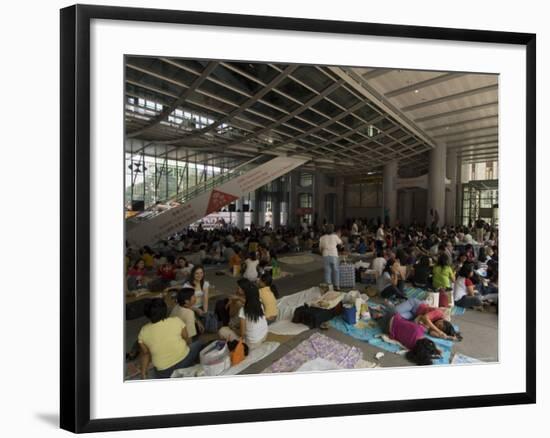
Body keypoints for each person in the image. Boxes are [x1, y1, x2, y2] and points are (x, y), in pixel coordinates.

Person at [138, 299, 203, 379]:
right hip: (184, 361)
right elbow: (187, 339)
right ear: (165, 310)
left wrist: (143, 373)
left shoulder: (143, 331)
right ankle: (193, 366)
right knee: (199, 343)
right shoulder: (176, 321)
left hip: (163, 372)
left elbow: (145, 354)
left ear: (147, 314)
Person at [369, 307, 442, 365]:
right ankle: (375, 313)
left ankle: (378, 310)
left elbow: (417, 320)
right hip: (387, 329)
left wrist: (436, 349)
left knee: (389, 308)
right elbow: (424, 354)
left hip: (393, 317)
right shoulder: (411, 347)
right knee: (377, 315)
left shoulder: (419, 329)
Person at [218, 279, 268, 349]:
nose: (237, 289)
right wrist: (233, 302)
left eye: (239, 288)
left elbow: (242, 334)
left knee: (222, 331)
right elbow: (231, 313)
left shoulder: (243, 310)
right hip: (264, 336)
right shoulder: (259, 303)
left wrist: (233, 329)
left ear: (245, 291)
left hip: (252, 343)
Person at [389, 298, 462, 341]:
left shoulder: (436, 327)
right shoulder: (439, 313)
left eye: (439, 327)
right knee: (395, 311)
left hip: (414, 315)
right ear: (443, 321)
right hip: (414, 305)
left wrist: (448, 337)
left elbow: (431, 333)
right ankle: (391, 305)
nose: (437, 325)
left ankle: (391, 307)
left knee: (395, 317)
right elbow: (425, 317)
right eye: (440, 325)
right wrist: (439, 330)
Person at [319, 224, 342, 291]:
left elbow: (320, 249)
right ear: (333, 230)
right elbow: (341, 243)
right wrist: (339, 236)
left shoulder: (322, 238)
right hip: (334, 255)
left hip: (325, 255)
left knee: (327, 271)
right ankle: (337, 286)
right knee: (336, 270)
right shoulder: (335, 236)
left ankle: (329, 288)